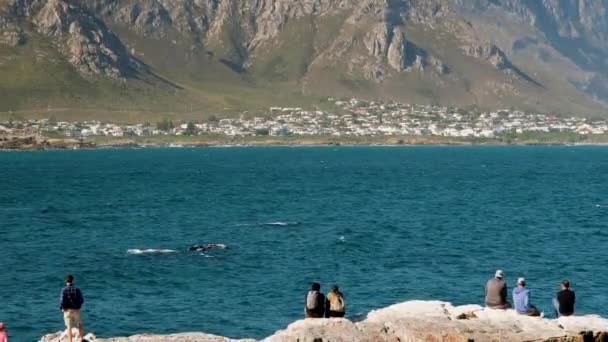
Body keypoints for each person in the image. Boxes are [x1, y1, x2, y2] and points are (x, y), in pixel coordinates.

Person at [60, 275, 87, 342]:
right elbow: (81, 300)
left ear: (66, 281)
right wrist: (78, 306)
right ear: (72, 280)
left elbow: (62, 301)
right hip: (76, 310)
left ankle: (70, 341)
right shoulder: (77, 289)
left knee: (69, 327)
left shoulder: (64, 290)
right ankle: (82, 339)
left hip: (67, 311)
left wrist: (62, 308)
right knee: (79, 324)